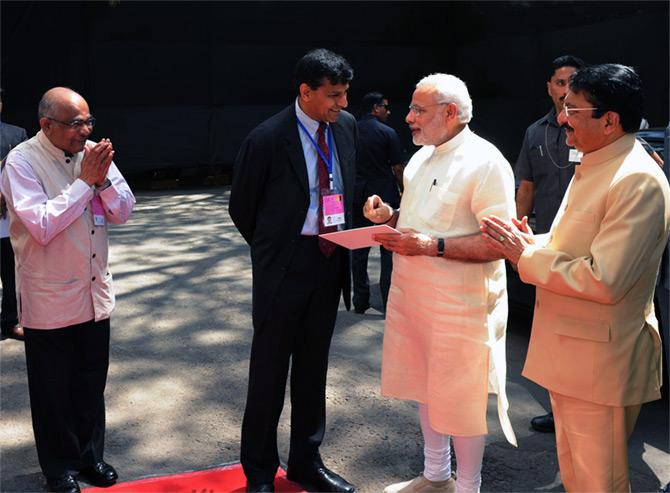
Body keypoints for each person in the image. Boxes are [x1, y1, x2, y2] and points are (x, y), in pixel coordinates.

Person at [481, 64, 670, 492]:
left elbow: (605, 279)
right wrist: (534, 241)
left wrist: (525, 255)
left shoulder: (635, 179)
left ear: (610, 120)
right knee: (576, 470)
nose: (563, 119)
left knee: (597, 480)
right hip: (575, 351)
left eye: (573, 109)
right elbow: (575, 240)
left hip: (600, 360)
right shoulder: (599, 161)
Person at [366, 73, 517, 493]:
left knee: (461, 401)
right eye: (411, 108)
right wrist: (390, 219)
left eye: (419, 110)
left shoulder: (485, 162)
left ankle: (469, 487)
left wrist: (428, 245)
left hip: (461, 305)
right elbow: (418, 224)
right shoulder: (420, 159)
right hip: (413, 297)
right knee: (425, 388)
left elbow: (500, 242)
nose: (408, 117)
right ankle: (435, 476)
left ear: (450, 113)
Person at [229, 48, 357, 493]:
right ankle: (260, 472)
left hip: (329, 261)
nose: (341, 104)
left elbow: (345, 187)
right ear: (305, 92)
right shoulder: (266, 139)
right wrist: (275, 252)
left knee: (312, 369)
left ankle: (307, 461)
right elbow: (242, 208)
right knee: (268, 373)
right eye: (333, 96)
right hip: (284, 268)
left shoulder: (346, 129)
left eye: (344, 95)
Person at [0, 87, 135, 493]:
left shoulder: (91, 153)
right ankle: (58, 467)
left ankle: (91, 456)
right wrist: (84, 184)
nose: (85, 131)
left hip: (94, 293)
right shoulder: (21, 161)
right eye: (76, 123)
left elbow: (124, 211)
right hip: (50, 298)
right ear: (46, 125)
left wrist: (103, 181)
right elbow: (40, 225)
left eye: (89, 121)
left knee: (91, 385)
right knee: (53, 390)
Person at [514, 55, 586, 433]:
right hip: (549, 247)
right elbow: (525, 187)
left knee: (587, 336)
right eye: (559, 83)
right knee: (552, 335)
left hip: (589, 250)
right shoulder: (534, 133)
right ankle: (559, 410)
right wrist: (514, 238)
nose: (565, 89)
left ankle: (593, 413)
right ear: (549, 87)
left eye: (572, 82)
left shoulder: (595, 130)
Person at [352, 91, 404, 314]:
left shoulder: (349, 131)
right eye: (385, 106)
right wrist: (406, 192)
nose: (388, 111)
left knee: (358, 248)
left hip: (357, 194)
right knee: (387, 251)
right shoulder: (388, 132)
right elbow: (397, 167)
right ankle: (386, 300)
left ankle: (360, 301)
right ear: (375, 108)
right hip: (384, 195)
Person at [0, 88, 28, 341]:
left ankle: (11, 320)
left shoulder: (17, 135)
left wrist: (7, 197)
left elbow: (28, 176)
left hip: (7, 221)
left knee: (12, 274)